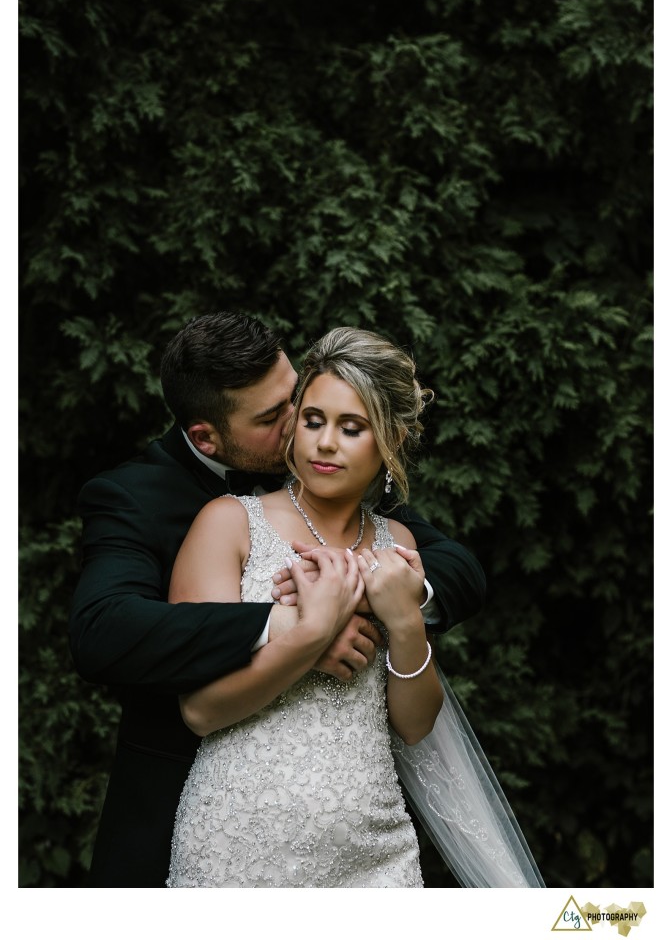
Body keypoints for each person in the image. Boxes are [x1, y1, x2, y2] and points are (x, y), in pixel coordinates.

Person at [70, 312, 487, 888]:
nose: (304, 427)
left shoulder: (351, 492)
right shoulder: (143, 499)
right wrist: (297, 625)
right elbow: (103, 631)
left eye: (299, 399)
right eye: (280, 416)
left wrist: (386, 601)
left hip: (368, 836)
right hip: (209, 814)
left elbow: (456, 568)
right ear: (206, 437)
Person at [165, 326, 544, 888]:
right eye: (313, 420)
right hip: (235, 841)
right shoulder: (229, 523)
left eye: (352, 428)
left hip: (375, 852)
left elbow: (414, 727)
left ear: (389, 441)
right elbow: (199, 710)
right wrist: (314, 631)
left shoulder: (402, 550)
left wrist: (404, 618)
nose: (324, 443)